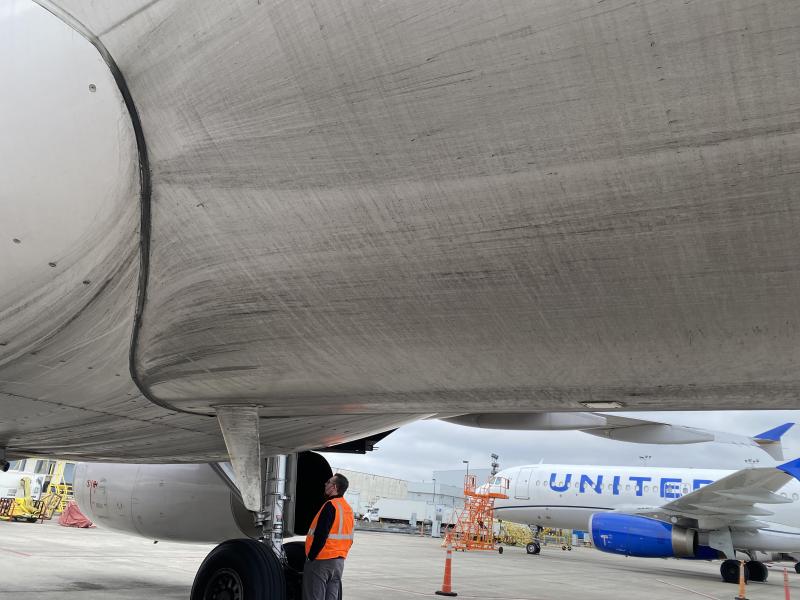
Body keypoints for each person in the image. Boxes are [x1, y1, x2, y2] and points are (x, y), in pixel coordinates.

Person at [303, 473, 354, 600]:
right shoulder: (348, 509)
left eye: (328, 482)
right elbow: (350, 537)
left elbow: (321, 535)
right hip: (339, 562)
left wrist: (311, 556)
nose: (325, 484)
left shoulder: (330, 505)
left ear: (334, 487)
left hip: (322, 560)